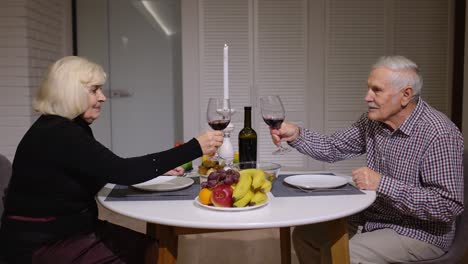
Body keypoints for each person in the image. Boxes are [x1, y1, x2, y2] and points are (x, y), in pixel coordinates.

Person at [0, 56, 224, 263]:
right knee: (149, 252)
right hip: (41, 243)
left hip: (68, 229)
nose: (102, 97)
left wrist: (159, 169)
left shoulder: (68, 127)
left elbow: (103, 170)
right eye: (94, 90)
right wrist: (194, 147)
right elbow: (122, 171)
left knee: (151, 248)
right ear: (71, 92)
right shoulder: (60, 133)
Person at [270, 56, 464, 263]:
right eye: (369, 88)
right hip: (372, 217)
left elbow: (447, 205)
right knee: (305, 236)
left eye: (377, 90)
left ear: (406, 95)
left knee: (344, 255)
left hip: (419, 231)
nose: (367, 97)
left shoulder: (439, 133)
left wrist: (382, 184)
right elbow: (333, 147)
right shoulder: (372, 122)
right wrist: (296, 134)